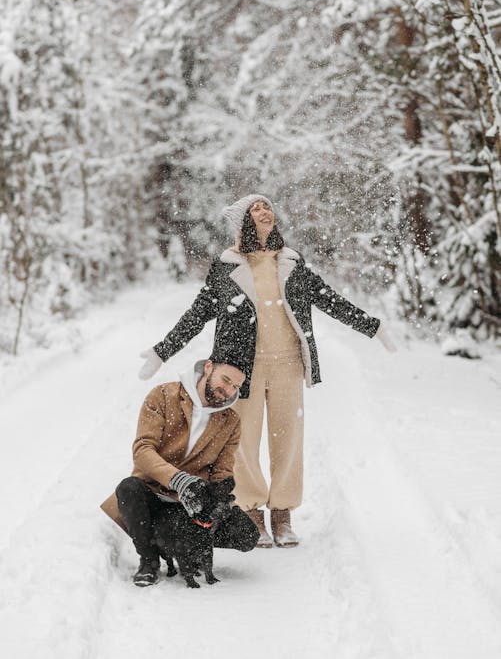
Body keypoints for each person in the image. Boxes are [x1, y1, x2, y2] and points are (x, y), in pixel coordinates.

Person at [139, 194, 395, 548]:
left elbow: (328, 298)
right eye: (256, 208)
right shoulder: (227, 266)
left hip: (289, 364)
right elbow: (197, 314)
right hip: (241, 370)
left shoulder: (291, 262)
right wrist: (161, 351)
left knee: (288, 438)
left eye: (267, 206)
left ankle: (283, 513)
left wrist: (372, 326)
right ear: (243, 220)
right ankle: (252, 511)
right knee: (243, 442)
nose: (265, 211)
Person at [101, 358, 259, 586]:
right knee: (127, 489)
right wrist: (178, 479)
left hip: (193, 508)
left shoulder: (231, 421)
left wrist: (221, 495)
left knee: (247, 535)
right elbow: (143, 450)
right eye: (225, 380)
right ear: (208, 367)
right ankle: (149, 558)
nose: (228, 391)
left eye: (235, 387)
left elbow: (222, 471)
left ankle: (189, 545)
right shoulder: (163, 395)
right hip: (154, 497)